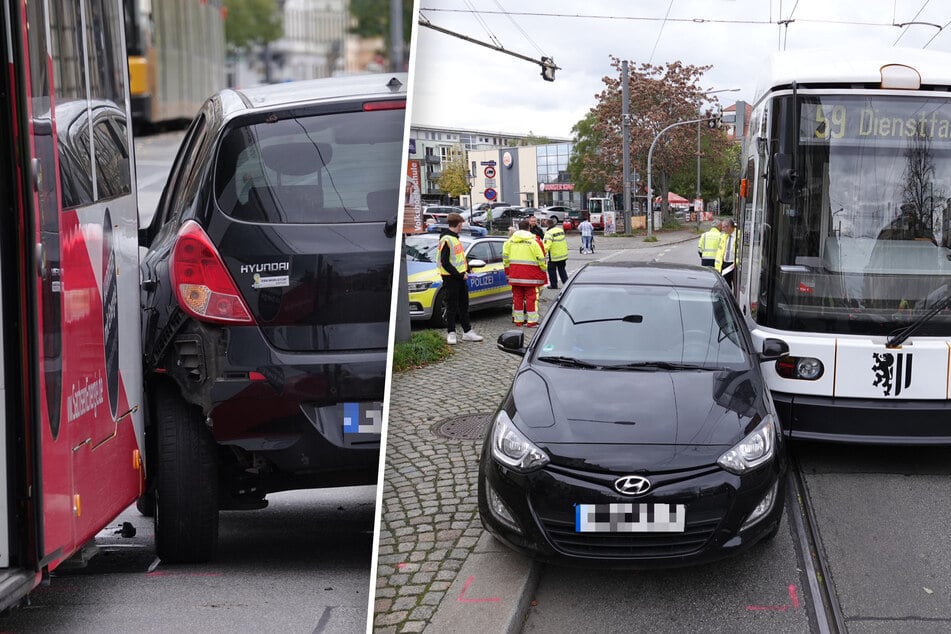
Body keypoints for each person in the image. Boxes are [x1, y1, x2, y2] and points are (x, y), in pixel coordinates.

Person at [438, 213, 484, 344]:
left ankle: (467, 331)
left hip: (459, 276)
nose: (462, 226)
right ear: (458, 224)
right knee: (451, 305)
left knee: (464, 305)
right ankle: (451, 333)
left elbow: (458, 259)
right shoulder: (447, 239)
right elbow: (445, 262)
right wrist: (460, 274)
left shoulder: (454, 238)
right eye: (462, 224)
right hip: (451, 278)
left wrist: (467, 268)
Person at [503, 219, 548, 327]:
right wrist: (543, 268)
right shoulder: (534, 241)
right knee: (531, 298)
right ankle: (531, 321)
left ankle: (518, 320)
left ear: (518, 227)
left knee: (517, 298)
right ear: (529, 228)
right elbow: (541, 258)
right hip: (531, 276)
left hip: (515, 275)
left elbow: (505, 259)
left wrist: (508, 274)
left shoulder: (509, 241)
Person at [544, 218, 569, 289]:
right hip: (563, 255)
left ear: (548, 224)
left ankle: (554, 285)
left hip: (554, 256)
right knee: (562, 270)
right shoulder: (560, 230)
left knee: (551, 270)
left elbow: (546, 246)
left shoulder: (549, 233)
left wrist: (542, 254)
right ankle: (566, 284)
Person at [715, 218, 738, 290]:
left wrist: (736, 262)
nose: (722, 229)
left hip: (734, 265)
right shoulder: (724, 237)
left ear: (729, 227)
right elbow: (720, 252)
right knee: (726, 286)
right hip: (725, 264)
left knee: (737, 287)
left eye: (723, 227)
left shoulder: (739, 236)